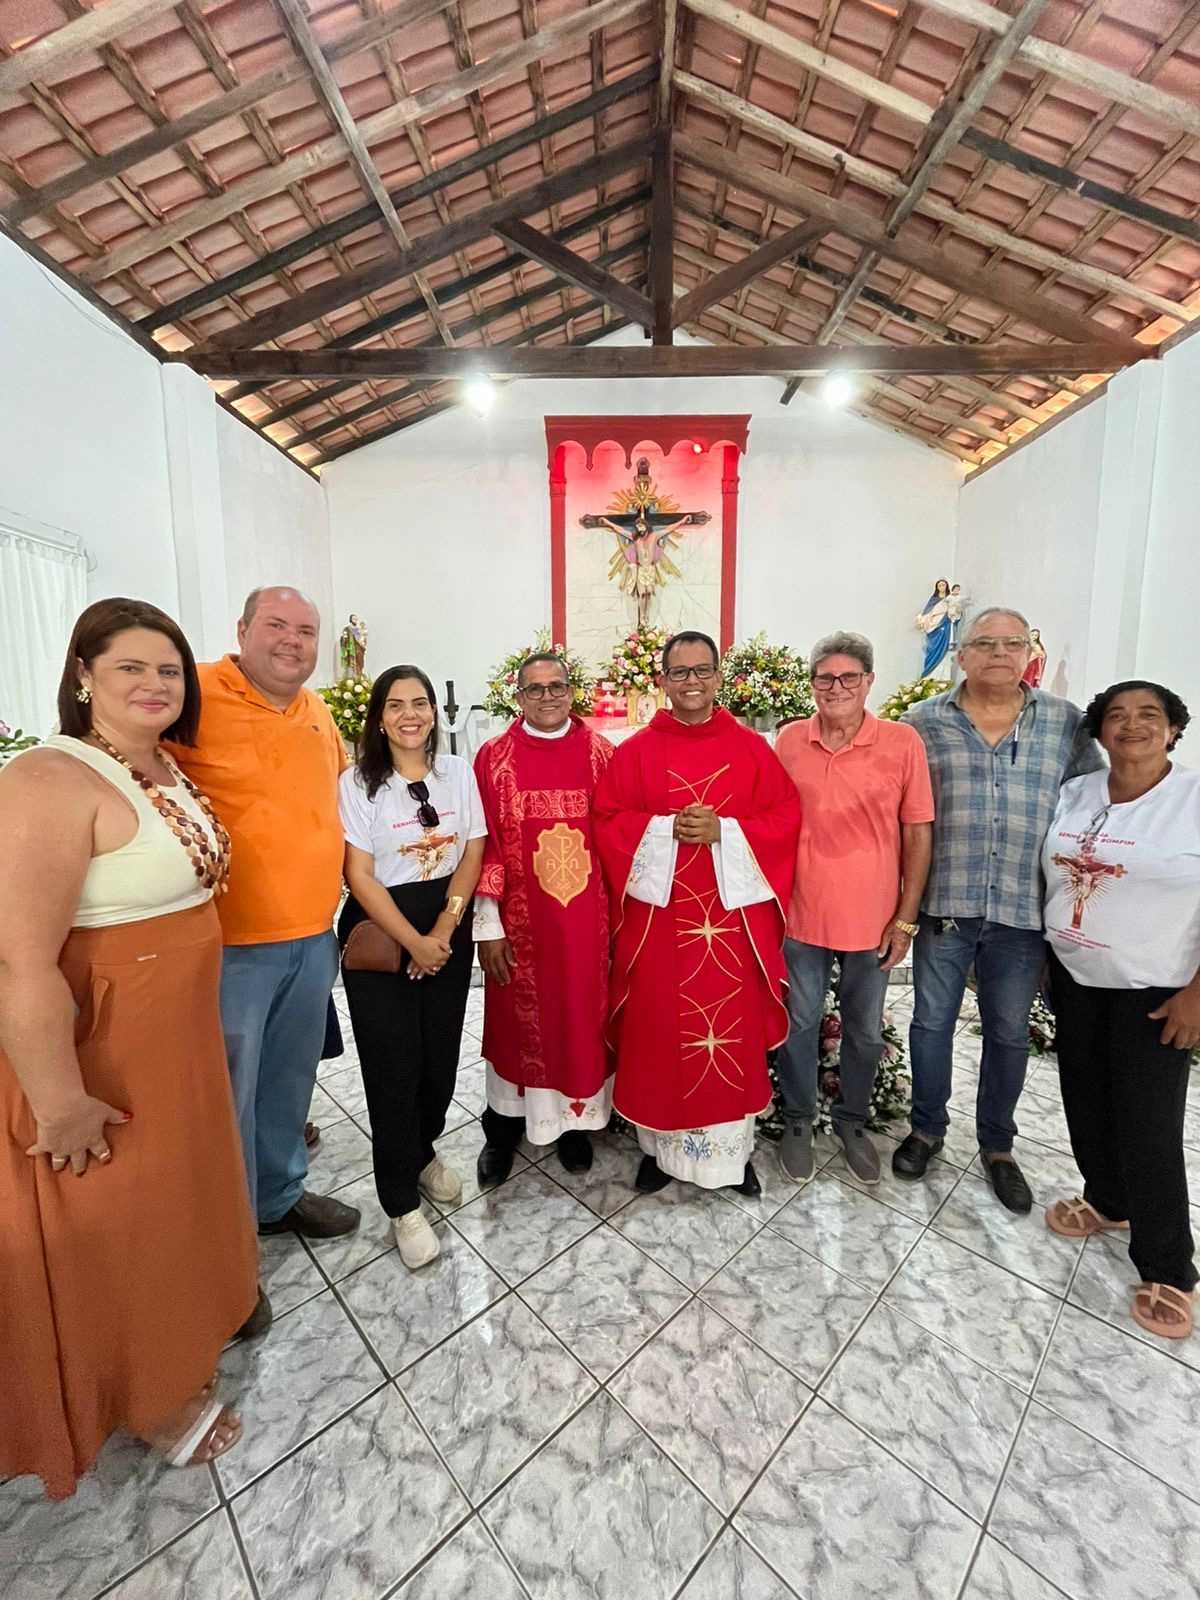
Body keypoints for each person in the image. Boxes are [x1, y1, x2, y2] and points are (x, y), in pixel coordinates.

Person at [0, 599, 259, 1497]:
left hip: (174, 1032)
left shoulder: (160, 768)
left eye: (169, 670)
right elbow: (19, 961)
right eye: (131, 668)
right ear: (82, 675)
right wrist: (62, 1101)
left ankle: (179, 1345)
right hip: (106, 1044)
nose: (156, 684)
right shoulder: (48, 778)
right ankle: (151, 1397)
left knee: (178, 1197)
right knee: (125, 1216)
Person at [893, 605, 1103, 1212]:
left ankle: (998, 1147)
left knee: (1009, 1031)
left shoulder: (1065, 724)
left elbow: (1091, 804)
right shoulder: (922, 722)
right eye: (985, 643)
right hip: (946, 904)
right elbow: (904, 810)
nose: (999, 654)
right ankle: (927, 1129)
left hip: (1021, 908)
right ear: (962, 654)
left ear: (1028, 651)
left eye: (1013, 643)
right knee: (931, 1024)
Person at [169, 587, 359, 1243]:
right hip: (232, 945)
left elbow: (344, 795)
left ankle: (277, 1198)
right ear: (242, 628)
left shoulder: (315, 710)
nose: (292, 641)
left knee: (287, 1083)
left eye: (306, 630)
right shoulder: (193, 693)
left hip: (311, 938)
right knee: (228, 1098)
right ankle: (227, 1242)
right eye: (276, 626)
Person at [594, 631, 800, 1194]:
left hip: (730, 928)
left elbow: (786, 818)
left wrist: (726, 831)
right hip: (661, 928)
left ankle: (729, 1159)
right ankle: (659, 1150)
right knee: (659, 1030)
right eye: (679, 672)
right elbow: (607, 820)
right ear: (662, 680)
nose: (691, 682)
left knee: (728, 1036)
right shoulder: (634, 752)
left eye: (701, 670)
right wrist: (663, 830)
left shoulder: (752, 748)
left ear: (717, 676)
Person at [1043, 681, 1199, 1340]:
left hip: (1156, 987)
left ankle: (1169, 1266)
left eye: (1149, 716)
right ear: (1099, 731)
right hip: (1077, 975)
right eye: (1117, 716)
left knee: (1149, 1125)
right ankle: (1108, 1200)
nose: (1131, 726)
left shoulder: (1192, 802)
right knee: (1085, 1096)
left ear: (1173, 729)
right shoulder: (1077, 793)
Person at [338, 665, 485, 1269]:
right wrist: (414, 943)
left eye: (420, 703)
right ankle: (399, 1200)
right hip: (381, 930)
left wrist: (445, 929)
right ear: (379, 716)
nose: (410, 714)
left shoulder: (458, 774)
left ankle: (422, 1153)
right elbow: (358, 875)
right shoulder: (358, 782)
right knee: (392, 1069)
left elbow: (473, 847)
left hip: (446, 922)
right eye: (395, 704)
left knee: (440, 1060)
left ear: (434, 713)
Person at [774, 631, 934, 1185]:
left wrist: (905, 917)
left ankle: (852, 1120)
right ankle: (798, 1118)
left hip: (873, 917)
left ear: (868, 681)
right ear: (812, 683)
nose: (835, 687)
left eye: (848, 677)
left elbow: (917, 834)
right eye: (825, 678)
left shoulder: (901, 742)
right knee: (799, 1021)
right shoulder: (790, 740)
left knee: (864, 1029)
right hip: (801, 912)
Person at [473, 653, 615, 1184]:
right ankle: (502, 1127)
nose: (548, 697)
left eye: (557, 687)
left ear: (572, 691)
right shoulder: (494, 759)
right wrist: (488, 926)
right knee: (515, 1027)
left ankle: (575, 1126)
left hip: (585, 929)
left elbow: (619, 844)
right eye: (536, 690)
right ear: (520, 696)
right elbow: (480, 843)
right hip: (519, 928)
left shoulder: (602, 755)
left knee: (579, 1019)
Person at [915, 578, 953, 678]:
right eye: (939, 585)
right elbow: (926, 613)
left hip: (944, 627)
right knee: (931, 650)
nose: (941, 587)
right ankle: (928, 674)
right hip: (932, 630)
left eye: (943, 585)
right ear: (937, 587)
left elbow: (955, 614)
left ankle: (941, 677)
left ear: (947, 586)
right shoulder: (933, 600)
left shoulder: (950, 599)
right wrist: (922, 620)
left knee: (943, 650)